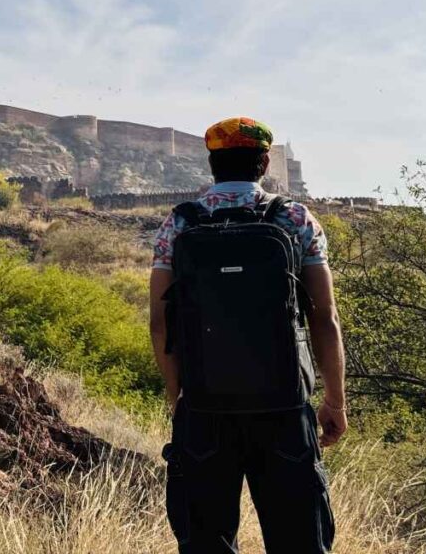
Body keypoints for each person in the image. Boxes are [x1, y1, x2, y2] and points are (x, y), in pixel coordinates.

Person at [149, 116, 347, 554]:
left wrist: (176, 397)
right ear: (263, 163)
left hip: (204, 406)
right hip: (283, 405)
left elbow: (159, 324)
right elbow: (324, 318)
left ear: (212, 164)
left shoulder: (178, 224)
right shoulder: (296, 218)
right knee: (300, 541)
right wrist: (334, 400)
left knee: (206, 542)